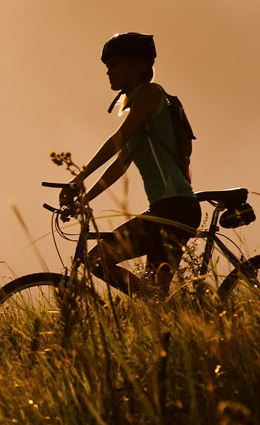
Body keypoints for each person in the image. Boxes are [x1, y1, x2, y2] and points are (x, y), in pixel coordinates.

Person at [59, 33, 200, 295]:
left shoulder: (150, 94)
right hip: (165, 209)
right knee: (151, 293)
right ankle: (162, 312)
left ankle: (172, 315)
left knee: (102, 263)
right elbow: (120, 165)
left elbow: (119, 138)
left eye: (113, 65)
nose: (108, 73)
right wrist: (85, 200)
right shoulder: (141, 107)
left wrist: (79, 178)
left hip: (174, 209)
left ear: (135, 65)